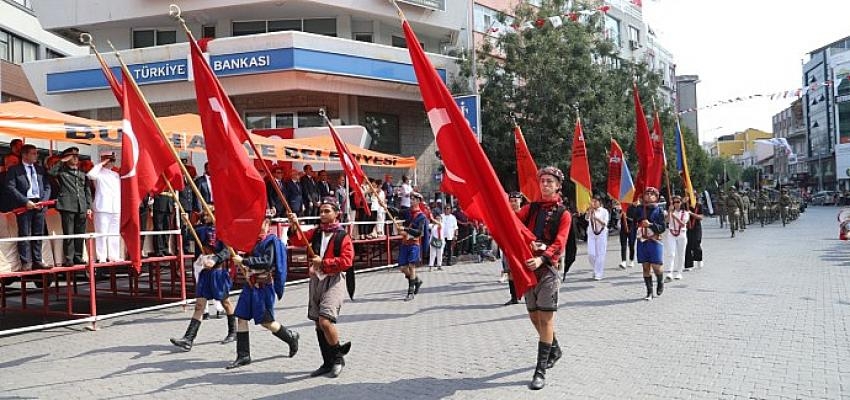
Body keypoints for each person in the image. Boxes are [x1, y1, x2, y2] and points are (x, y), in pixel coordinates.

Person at [515, 167, 571, 390]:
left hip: (548, 270)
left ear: (558, 186)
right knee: (534, 317)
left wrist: (542, 259)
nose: (545, 184)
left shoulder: (563, 213)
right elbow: (513, 224)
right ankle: (554, 348)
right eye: (543, 181)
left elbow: (560, 242)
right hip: (528, 270)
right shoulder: (532, 208)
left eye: (550, 181)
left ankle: (540, 370)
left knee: (546, 319)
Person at [289, 198, 354, 378]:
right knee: (318, 324)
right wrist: (294, 224)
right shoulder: (317, 232)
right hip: (316, 279)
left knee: (326, 320)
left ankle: (338, 357)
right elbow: (298, 240)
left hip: (333, 279)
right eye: (321, 211)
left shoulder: (342, 235)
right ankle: (327, 362)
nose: (323, 214)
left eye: (327, 211)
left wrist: (324, 262)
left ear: (336, 213)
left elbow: (347, 261)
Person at [226, 217, 300, 369]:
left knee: (266, 322)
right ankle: (243, 355)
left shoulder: (272, 241)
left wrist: (245, 261)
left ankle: (290, 337)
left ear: (267, 224)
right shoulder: (251, 241)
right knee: (241, 317)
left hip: (264, 287)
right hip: (250, 285)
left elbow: (267, 261)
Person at [169, 215, 237, 351]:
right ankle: (188, 339)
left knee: (225, 302)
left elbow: (228, 251)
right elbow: (187, 236)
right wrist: (185, 223)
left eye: (209, 213)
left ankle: (233, 332)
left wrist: (216, 259)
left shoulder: (224, 231)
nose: (207, 216)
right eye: (205, 214)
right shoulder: (201, 229)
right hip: (205, 273)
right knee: (199, 305)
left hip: (218, 272)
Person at [5, 144, 51, 269]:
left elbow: (47, 186)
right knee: (25, 233)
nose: (36, 155)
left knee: (38, 233)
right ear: (24, 155)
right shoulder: (15, 170)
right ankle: (26, 262)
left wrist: (43, 201)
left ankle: (37, 260)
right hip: (24, 204)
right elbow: (10, 187)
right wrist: (25, 201)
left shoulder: (40, 169)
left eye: (36, 153)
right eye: (33, 153)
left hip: (39, 203)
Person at [48, 147, 92, 267]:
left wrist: (89, 206)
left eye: (76, 156)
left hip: (81, 206)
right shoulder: (62, 172)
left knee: (80, 234)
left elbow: (86, 190)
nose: (75, 158)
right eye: (72, 156)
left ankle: (78, 256)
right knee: (69, 233)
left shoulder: (82, 173)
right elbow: (51, 173)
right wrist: (62, 161)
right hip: (67, 206)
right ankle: (69, 258)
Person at [86, 151, 122, 263]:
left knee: (114, 233)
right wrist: (101, 164)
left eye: (113, 160)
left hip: (115, 207)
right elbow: (90, 175)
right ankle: (101, 256)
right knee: (101, 233)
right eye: (110, 160)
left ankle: (114, 255)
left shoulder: (115, 175)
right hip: (102, 207)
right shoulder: (98, 173)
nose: (112, 162)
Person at [635, 187, 666, 301]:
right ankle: (649, 292)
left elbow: (662, 228)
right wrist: (633, 204)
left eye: (651, 194)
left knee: (656, 266)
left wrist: (651, 225)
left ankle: (660, 281)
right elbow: (630, 216)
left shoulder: (659, 210)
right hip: (642, 241)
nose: (648, 196)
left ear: (656, 197)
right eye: (646, 194)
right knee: (645, 267)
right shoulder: (639, 209)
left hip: (654, 240)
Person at [398, 192, 426, 301]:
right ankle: (417, 281)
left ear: (418, 201)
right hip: (405, 243)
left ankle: (410, 292)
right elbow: (398, 212)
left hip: (414, 244)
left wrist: (405, 229)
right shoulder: (408, 212)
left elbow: (418, 232)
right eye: (411, 199)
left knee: (411, 266)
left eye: (414, 199)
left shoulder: (421, 216)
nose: (411, 201)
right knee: (402, 267)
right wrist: (385, 206)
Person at [663, 195, 689, 281]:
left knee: (681, 254)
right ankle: (669, 272)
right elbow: (666, 221)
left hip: (681, 234)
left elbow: (682, 224)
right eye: (674, 202)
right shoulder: (670, 212)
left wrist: (675, 217)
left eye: (678, 202)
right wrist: (669, 212)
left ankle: (679, 272)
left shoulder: (685, 213)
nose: (676, 204)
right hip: (671, 233)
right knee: (671, 253)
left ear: (681, 202)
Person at [586, 195, 610, 280]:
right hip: (591, 234)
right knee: (591, 254)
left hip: (601, 234)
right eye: (592, 201)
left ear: (600, 202)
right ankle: (596, 268)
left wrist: (597, 218)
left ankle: (598, 273)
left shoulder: (604, 211)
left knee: (600, 254)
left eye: (595, 201)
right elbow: (586, 218)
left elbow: (605, 223)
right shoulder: (591, 211)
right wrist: (590, 211)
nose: (594, 203)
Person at [684, 194, 704, 270]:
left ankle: (699, 259)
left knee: (696, 244)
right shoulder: (685, 205)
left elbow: (701, 217)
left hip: (697, 227)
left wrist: (691, 214)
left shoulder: (699, 205)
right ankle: (689, 265)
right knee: (688, 245)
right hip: (687, 228)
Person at [151, 191, 175, 257]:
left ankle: (165, 249)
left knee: (167, 228)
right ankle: (159, 249)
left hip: (169, 202)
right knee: (159, 228)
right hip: (159, 201)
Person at [618, 200, 637, 269]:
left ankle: (631, 260)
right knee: (623, 245)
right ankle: (623, 261)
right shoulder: (623, 207)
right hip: (623, 228)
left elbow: (635, 219)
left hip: (632, 228)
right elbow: (619, 217)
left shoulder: (636, 208)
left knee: (631, 244)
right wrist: (622, 213)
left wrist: (627, 217)